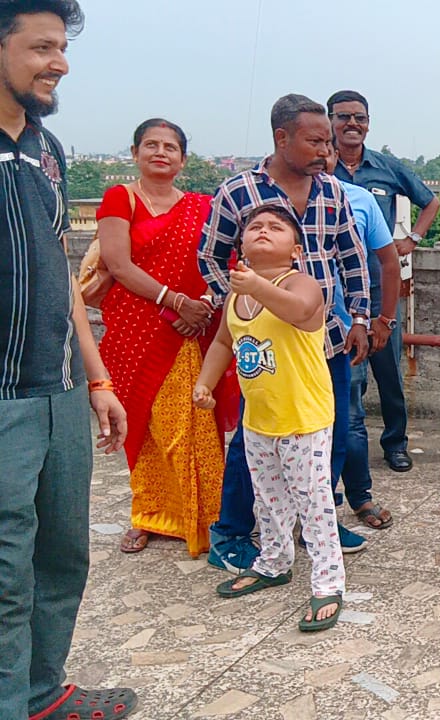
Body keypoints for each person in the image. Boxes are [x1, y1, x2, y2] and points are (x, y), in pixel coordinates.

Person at [0, 2, 139, 718]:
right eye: (42, 46)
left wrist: (96, 377)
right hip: (1, 402)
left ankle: (41, 692)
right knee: (3, 573)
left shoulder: (46, 151)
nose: (59, 62)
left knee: (61, 557)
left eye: (62, 46)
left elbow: (60, 269)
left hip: (56, 393)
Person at [198, 93, 371, 571]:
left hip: (324, 335)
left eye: (327, 141)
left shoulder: (332, 191)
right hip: (267, 347)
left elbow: (352, 259)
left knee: (327, 435)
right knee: (254, 440)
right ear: (281, 138)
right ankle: (232, 531)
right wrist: (241, 302)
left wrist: (359, 317)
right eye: (314, 140)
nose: (324, 150)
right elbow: (209, 256)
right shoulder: (238, 192)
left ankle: (316, 521)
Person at [195, 205, 345, 632]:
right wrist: (205, 382)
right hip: (259, 418)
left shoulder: (302, 283)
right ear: (240, 244)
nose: (263, 231)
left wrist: (257, 284)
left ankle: (328, 581)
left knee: (313, 504)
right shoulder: (237, 294)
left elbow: (300, 312)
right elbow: (225, 340)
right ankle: (274, 562)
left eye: (275, 227)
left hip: (303, 417)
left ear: (295, 249)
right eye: (254, 227)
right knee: (269, 499)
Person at [97, 118, 238, 556]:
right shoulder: (121, 198)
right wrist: (174, 301)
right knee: (144, 425)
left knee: (192, 423)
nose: (161, 152)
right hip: (137, 328)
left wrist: (202, 309)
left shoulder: (201, 206)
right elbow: (118, 264)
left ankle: (210, 514)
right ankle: (149, 514)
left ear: (183, 158)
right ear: (136, 152)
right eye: (151, 145)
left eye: (170, 147)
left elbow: (222, 261)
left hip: (192, 329)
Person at [329, 90, 440, 473]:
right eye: (343, 117)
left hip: (382, 286)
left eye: (359, 117)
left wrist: (413, 239)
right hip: (334, 293)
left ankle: (395, 443)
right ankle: (345, 447)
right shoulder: (319, 166)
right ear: (330, 121)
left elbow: (431, 202)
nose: (352, 124)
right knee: (348, 378)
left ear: (368, 123)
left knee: (389, 372)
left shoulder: (386, 167)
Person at [325, 150, 401, 529]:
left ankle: (359, 497)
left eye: (327, 146)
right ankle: (309, 507)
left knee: (350, 417)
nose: (321, 153)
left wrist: (382, 318)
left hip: (343, 330)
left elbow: (387, 262)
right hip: (286, 335)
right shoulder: (271, 199)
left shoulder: (357, 199)